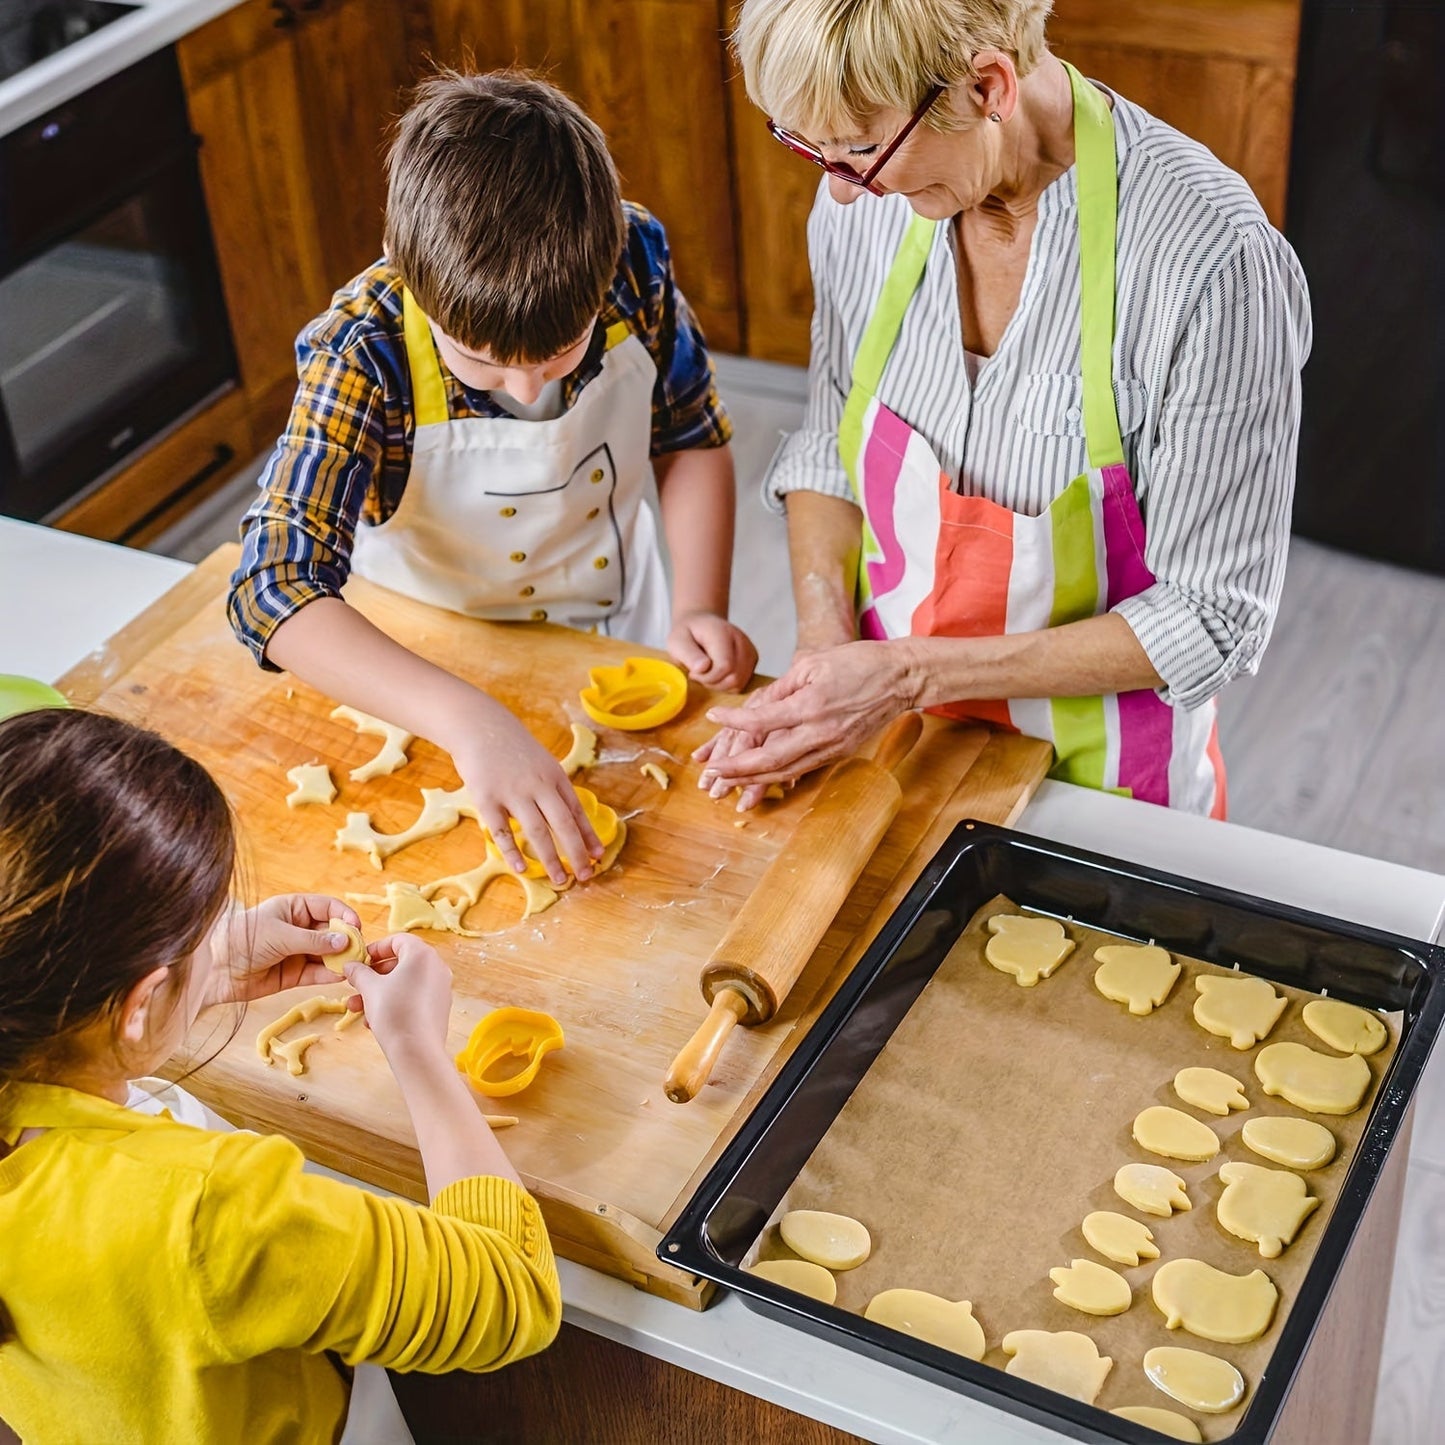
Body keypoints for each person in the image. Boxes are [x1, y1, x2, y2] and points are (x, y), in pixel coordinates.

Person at [698, 0, 1311, 816]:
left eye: (856, 148)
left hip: (1103, 784)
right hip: (891, 740)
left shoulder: (1209, 265)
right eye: (810, 146)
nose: (841, 194)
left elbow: (1210, 617)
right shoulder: (866, 206)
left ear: (988, 86)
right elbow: (829, 441)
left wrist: (912, 671)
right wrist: (825, 648)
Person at [228, 70, 757, 884]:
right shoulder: (360, 352)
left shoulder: (631, 255)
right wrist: (469, 720)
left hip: (617, 628)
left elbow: (688, 433)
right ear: (415, 281)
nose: (527, 389)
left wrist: (699, 604)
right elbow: (274, 587)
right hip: (427, 668)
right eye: (481, 363)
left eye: (560, 352)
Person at [0, 708, 561, 1443]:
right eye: (201, 930)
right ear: (137, 1002)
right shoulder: (205, 1210)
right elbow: (510, 1291)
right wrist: (417, 1048)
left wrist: (206, 969)